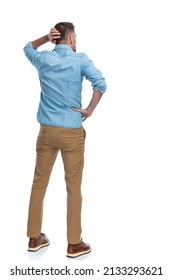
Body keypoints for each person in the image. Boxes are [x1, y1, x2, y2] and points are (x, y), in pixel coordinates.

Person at [23, 22, 107, 258]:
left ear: (55, 38)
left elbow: (28, 48)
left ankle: (33, 238)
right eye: (75, 37)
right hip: (71, 133)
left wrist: (44, 38)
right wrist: (89, 109)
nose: (76, 41)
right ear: (70, 39)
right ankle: (73, 243)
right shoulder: (80, 59)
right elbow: (101, 83)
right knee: (73, 188)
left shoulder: (44, 60)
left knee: (38, 184)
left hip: (46, 131)